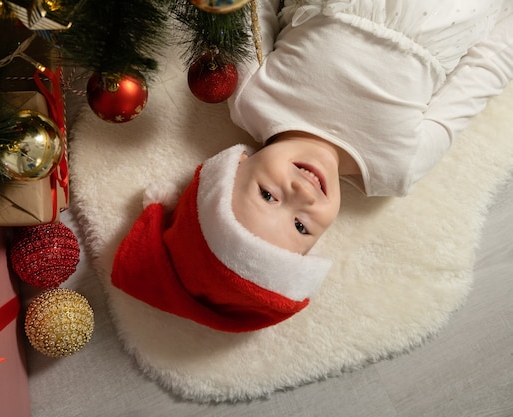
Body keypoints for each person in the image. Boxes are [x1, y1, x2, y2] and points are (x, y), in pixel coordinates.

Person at [112, 0, 513, 333]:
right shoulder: (395, 167)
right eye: (302, 227)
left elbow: (249, 10)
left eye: (267, 195)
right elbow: (484, 72)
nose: (301, 195)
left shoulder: (252, 97)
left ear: (236, 164)